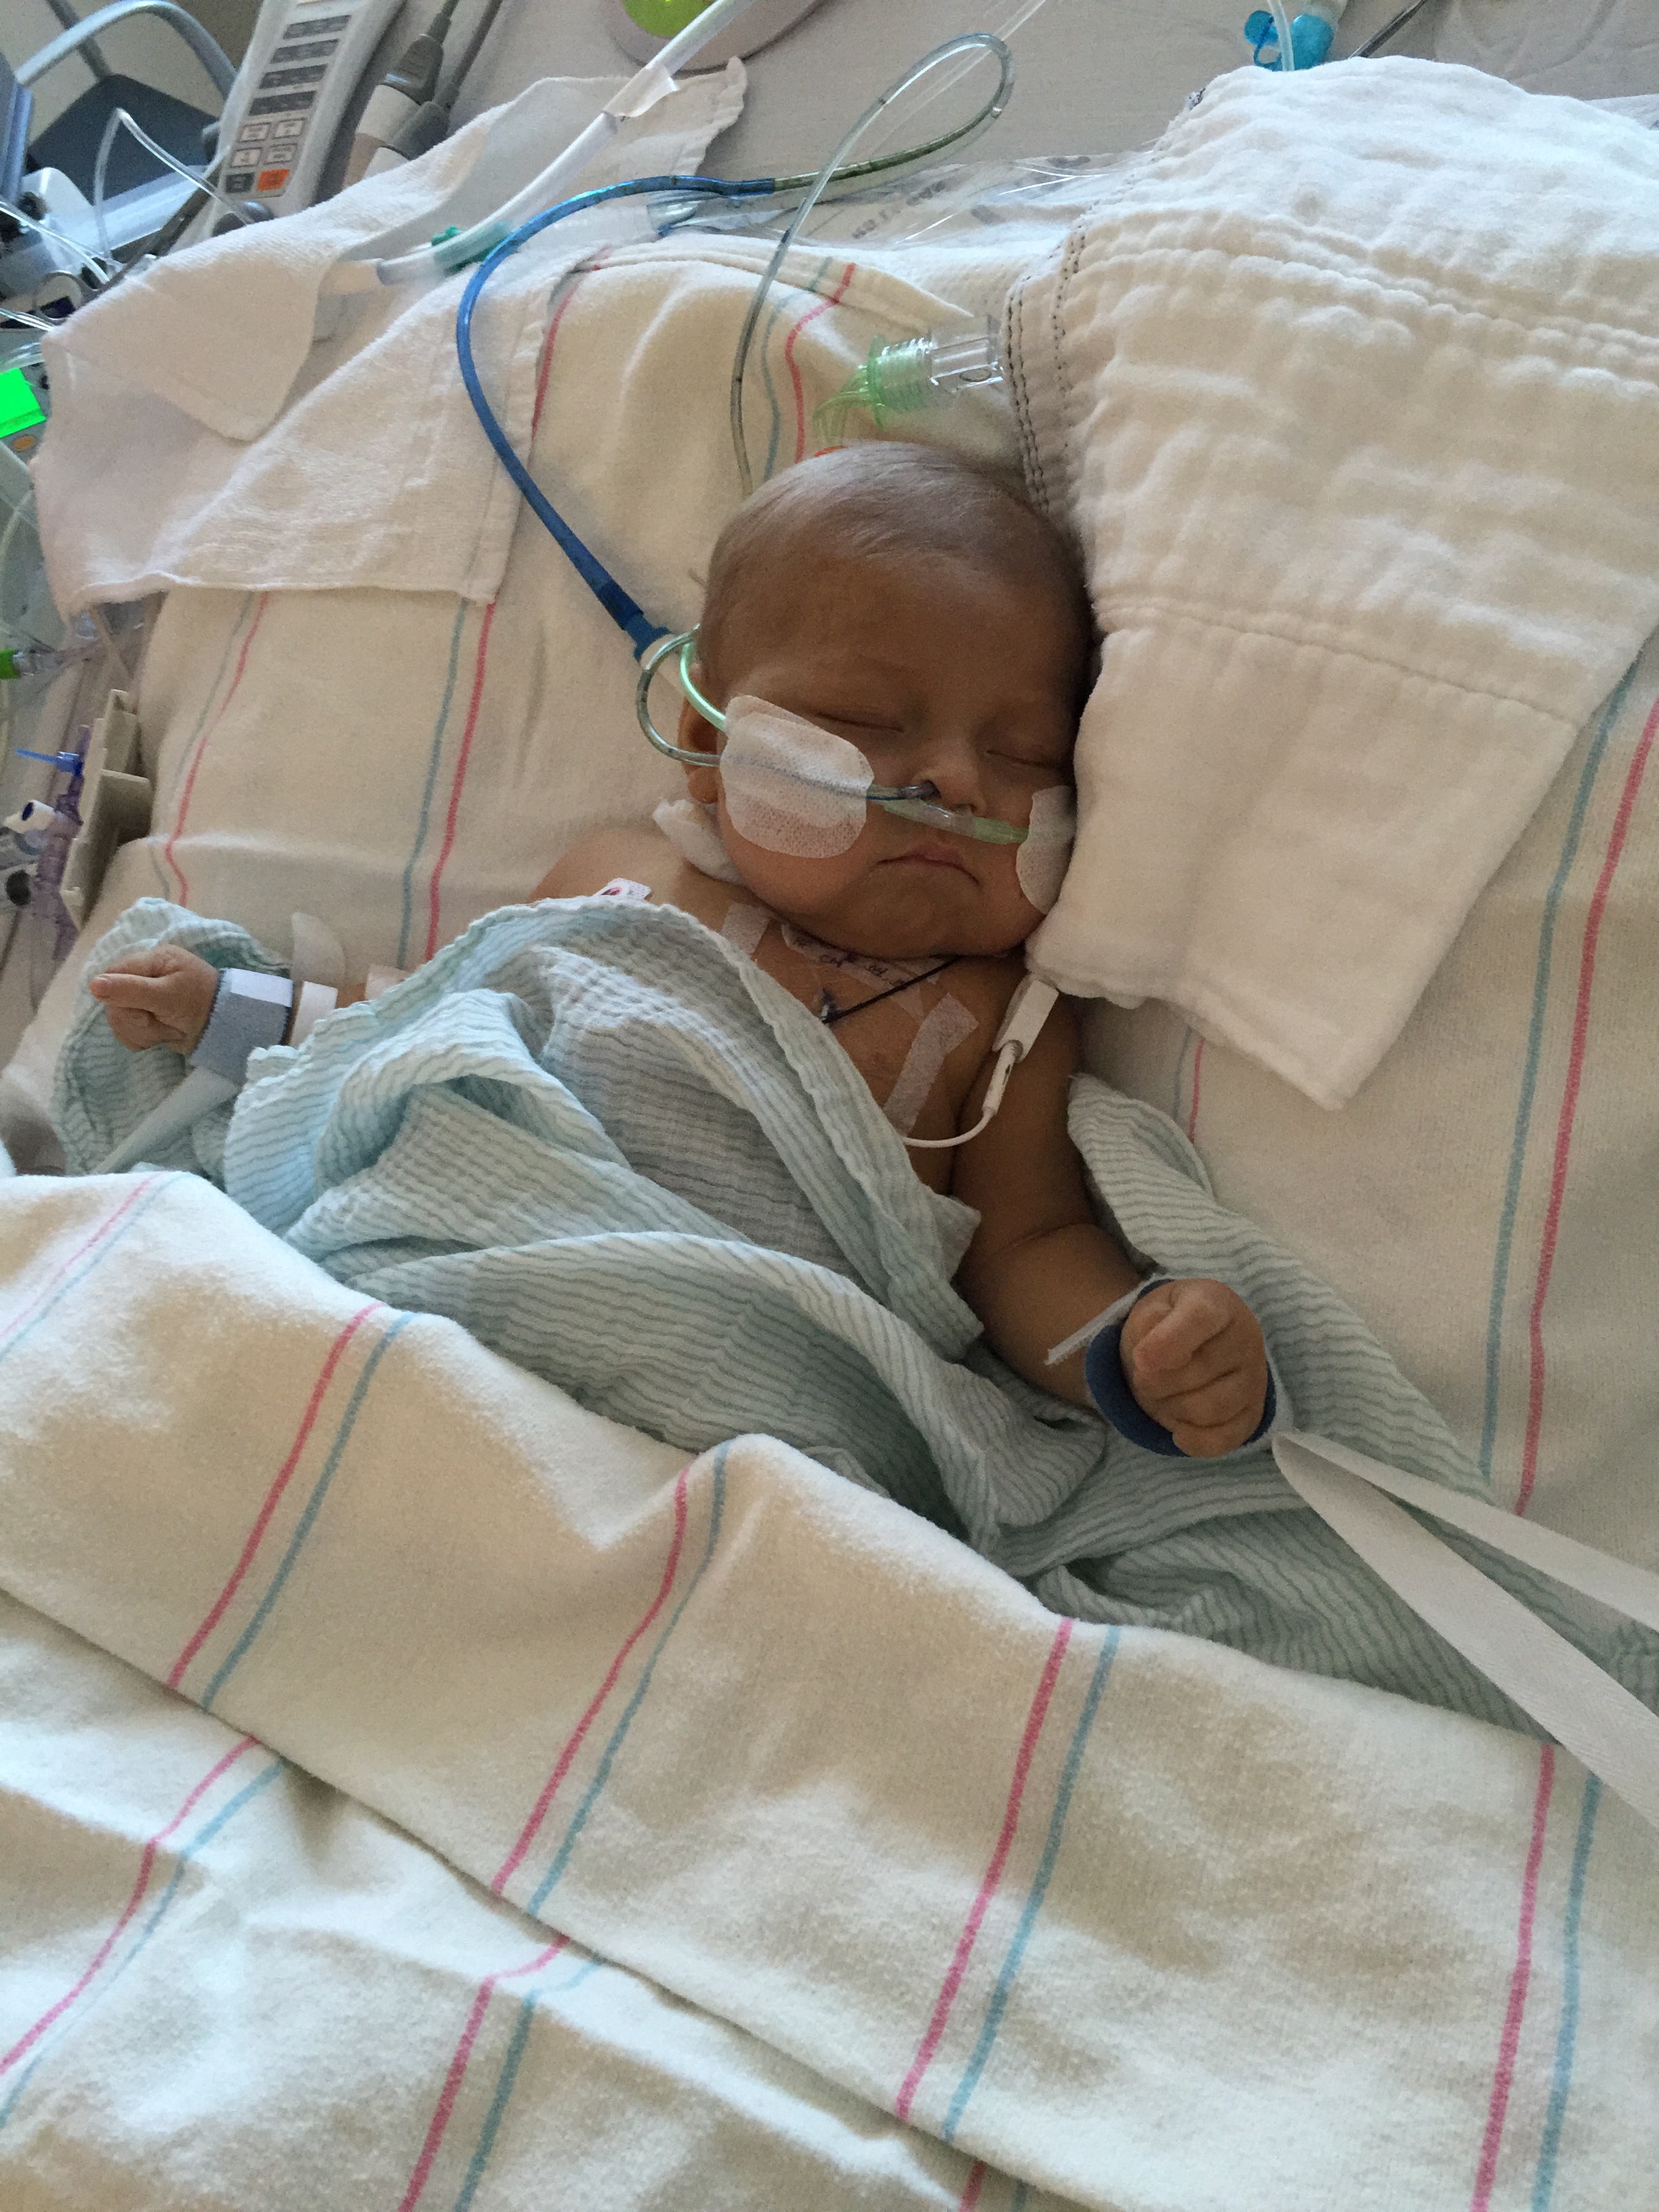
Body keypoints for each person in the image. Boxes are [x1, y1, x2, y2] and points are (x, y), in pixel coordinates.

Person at [89, 443, 1272, 1458]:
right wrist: (236, 1013)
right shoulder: (620, 877)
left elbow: (1024, 1248)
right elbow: (423, 1022)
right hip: (446, 1275)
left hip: (741, 1397)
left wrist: (1129, 1346)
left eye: (1024, 754)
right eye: (867, 722)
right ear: (708, 747)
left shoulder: (998, 1022)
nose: (958, 781)